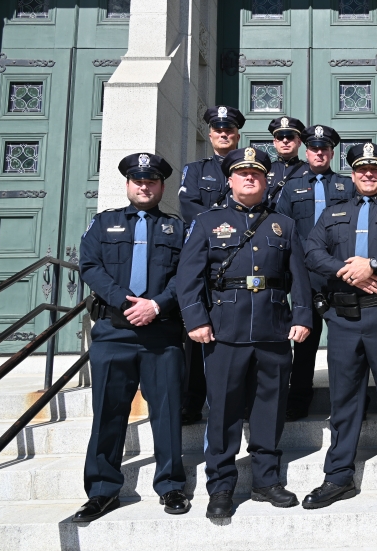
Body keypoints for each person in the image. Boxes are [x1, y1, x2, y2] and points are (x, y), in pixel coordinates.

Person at [176, 146, 312, 518]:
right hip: (224, 331)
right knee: (223, 412)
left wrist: (302, 316)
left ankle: (267, 481)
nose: (249, 178)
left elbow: (298, 276)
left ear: (266, 180)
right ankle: (221, 486)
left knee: (270, 409)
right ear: (230, 180)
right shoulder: (206, 222)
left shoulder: (283, 223)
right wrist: (196, 320)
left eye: (256, 173)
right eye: (242, 173)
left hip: (273, 328)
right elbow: (187, 279)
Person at [302, 142, 377, 511]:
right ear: (352, 175)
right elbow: (312, 252)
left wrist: (374, 263)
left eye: (375, 169)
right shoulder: (333, 213)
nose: (368, 174)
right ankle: (338, 476)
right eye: (360, 169)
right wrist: (349, 272)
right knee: (343, 400)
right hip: (342, 319)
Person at [74, 153, 188, 522]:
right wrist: (125, 302)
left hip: (162, 333)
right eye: (138, 180)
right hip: (113, 333)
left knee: (168, 413)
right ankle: (103, 490)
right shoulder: (103, 224)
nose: (144, 186)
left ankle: (170, 485)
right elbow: (90, 265)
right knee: (108, 413)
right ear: (127, 184)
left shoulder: (177, 229)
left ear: (162, 187)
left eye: (152, 181)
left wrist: (155, 305)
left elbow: (186, 276)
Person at [275, 125, 356, 420]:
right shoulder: (291, 188)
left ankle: (346, 402)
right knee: (305, 342)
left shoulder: (347, 186)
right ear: (305, 151)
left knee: (345, 344)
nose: (319, 152)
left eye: (324, 148)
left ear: (332, 152)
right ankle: (298, 400)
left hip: (341, 276)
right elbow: (282, 229)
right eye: (313, 148)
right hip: (306, 277)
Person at [177, 105, 246, 424]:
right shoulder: (195, 170)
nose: (223, 134)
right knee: (197, 330)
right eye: (218, 129)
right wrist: (220, 226)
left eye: (229, 129)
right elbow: (190, 208)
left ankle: (242, 399)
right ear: (210, 134)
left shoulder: (251, 169)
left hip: (241, 259)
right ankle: (192, 402)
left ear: (237, 134)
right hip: (205, 258)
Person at [265, 116, 310, 207]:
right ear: (274, 142)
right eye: (280, 137)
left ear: (299, 142)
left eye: (290, 137)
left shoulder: (309, 170)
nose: (285, 141)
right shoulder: (265, 170)